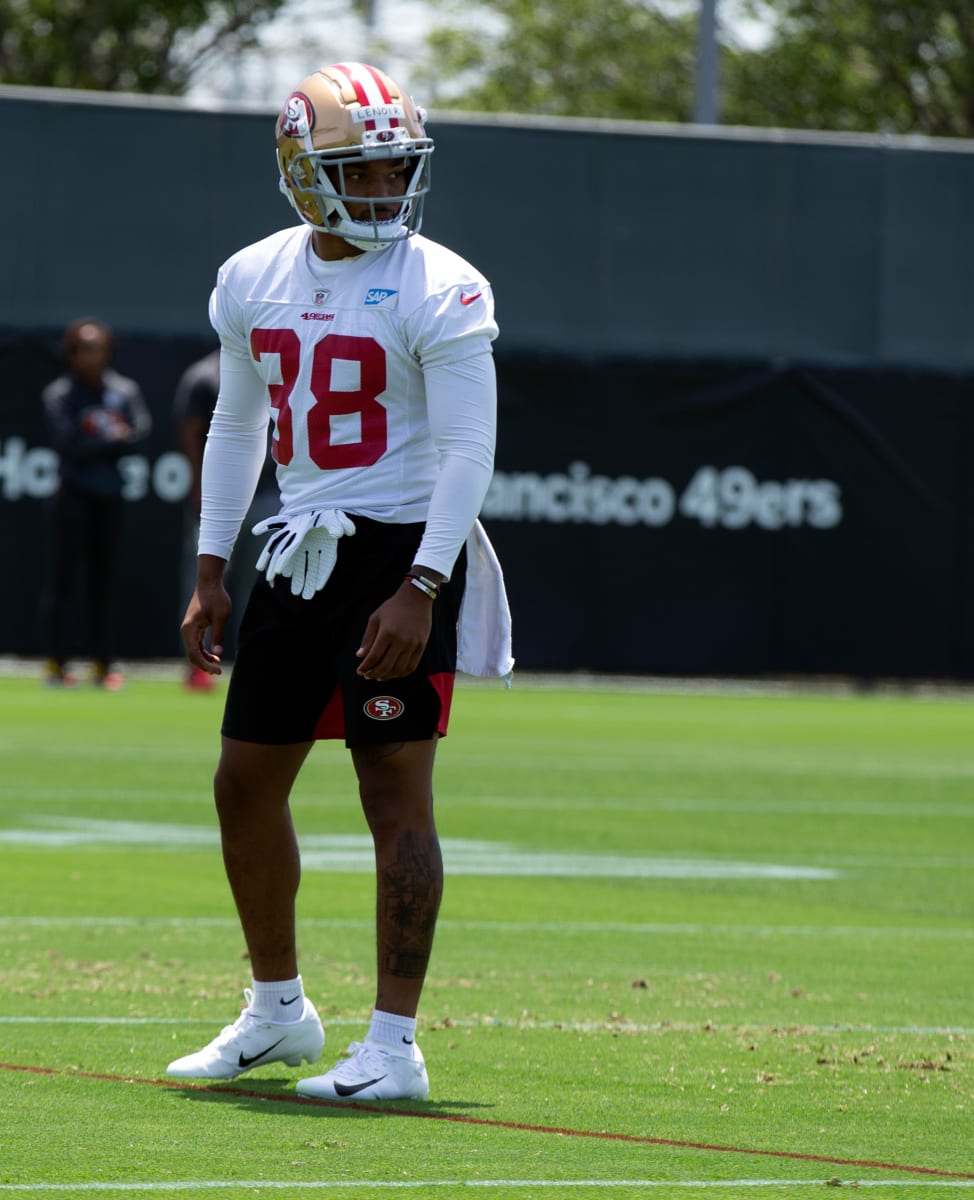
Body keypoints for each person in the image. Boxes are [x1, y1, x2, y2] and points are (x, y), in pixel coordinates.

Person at [170, 61, 511, 1102]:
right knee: (242, 781)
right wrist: (213, 564)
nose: (384, 191)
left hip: (400, 545)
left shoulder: (442, 282)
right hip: (297, 549)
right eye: (360, 173)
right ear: (301, 171)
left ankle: (396, 1046)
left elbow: (467, 453)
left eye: (396, 169)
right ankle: (278, 1013)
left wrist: (421, 585)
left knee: (391, 790)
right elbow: (241, 424)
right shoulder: (251, 275)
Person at [41, 317, 152, 690]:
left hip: (110, 497)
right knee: (65, 581)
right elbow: (68, 443)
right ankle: (57, 663)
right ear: (71, 354)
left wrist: (107, 443)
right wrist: (112, 440)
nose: (92, 356)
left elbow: (139, 434)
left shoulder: (124, 390)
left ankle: (103, 664)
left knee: (104, 582)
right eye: (84, 349)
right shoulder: (60, 393)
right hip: (72, 495)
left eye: (98, 348)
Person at [175, 348, 279, 690]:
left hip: (268, 494)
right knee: (205, 582)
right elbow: (191, 433)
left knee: (260, 585)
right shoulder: (204, 374)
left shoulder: (278, 365)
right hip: (221, 498)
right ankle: (198, 663)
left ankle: (255, 663)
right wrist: (200, 489)